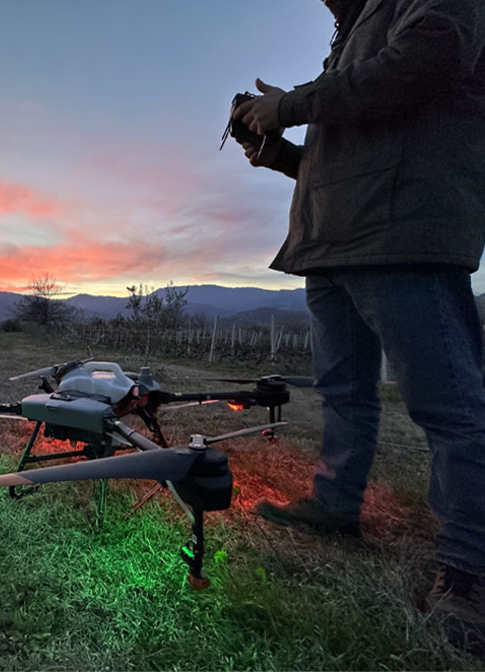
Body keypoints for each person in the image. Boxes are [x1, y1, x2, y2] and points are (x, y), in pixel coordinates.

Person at [231, 0, 485, 657]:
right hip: (332, 241)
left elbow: (425, 60)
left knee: (450, 406)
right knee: (344, 391)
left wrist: (290, 105)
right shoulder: (352, 28)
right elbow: (344, 153)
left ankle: (471, 571)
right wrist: (279, 152)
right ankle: (336, 505)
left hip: (402, 230)